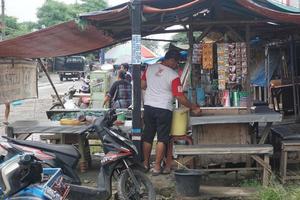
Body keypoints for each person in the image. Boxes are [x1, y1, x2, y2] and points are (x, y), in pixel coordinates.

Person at [141, 49, 201, 175]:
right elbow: (179, 97)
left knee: (148, 136)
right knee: (162, 138)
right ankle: (157, 167)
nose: (177, 65)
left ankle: (145, 164)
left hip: (149, 107)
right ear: (171, 60)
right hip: (163, 108)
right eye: (176, 62)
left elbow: (142, 85)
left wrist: (154, 86)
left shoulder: (150, 68)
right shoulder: (173, 76)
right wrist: (192, 107)